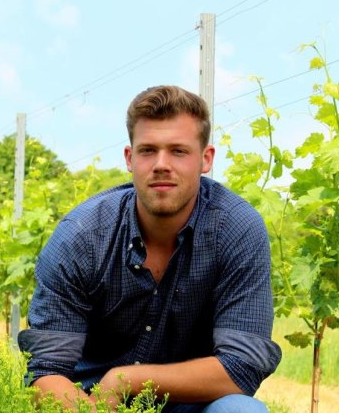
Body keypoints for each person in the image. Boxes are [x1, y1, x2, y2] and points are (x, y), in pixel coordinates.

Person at [18, 85, 281, 412]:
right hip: (91, 399)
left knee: (243, 411)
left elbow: (242, 366)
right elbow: (45, 370)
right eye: (147, 150)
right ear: (130, 159)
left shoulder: (237, 230)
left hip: (189, 401)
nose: (161, 164)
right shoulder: (81, 237)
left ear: (206, 159)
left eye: (178, 151)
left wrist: (129, 378)